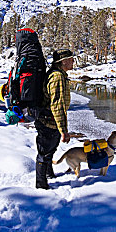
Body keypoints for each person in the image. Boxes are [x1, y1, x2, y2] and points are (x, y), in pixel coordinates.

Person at [35, 49, 74, 189]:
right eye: (71, 59)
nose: (73, 61)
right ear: (63, 61)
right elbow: (57, 105)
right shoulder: (57, 77)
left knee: (50, 149)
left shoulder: (59, 74)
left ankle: (48, 174)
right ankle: (41, 185)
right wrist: (63, 130)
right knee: (44, 152)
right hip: (48, 121)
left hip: (48, 120)